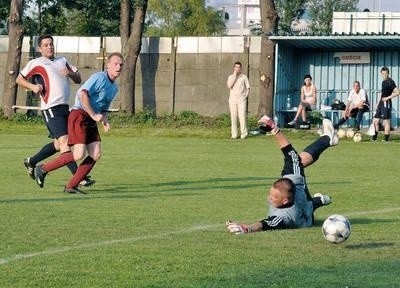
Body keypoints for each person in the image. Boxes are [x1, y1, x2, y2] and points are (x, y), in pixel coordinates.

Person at [226, 116, 338, 234]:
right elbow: (292, 156)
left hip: (305, 213)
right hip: (305, 209)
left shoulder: (284, 216)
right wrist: (275, 130)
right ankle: (320, 199)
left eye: (274, 197)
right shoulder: (296, 187)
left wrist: (248, 228)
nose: (269, 198)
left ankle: (321, 199)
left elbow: (265, 224)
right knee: (298, 165)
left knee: (300, 164)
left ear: (284, 201)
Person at [33, 52, 124, 194]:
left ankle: (71, 186)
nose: (118, 67)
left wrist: (104, 120)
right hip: (79, 115)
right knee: (78, 154)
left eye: (121, 65)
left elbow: (104, 107)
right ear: (108, 65)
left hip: (90, 119)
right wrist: (94, 115)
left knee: (95, 153)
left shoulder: (114, 88)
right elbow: (82, 94)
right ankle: (42, 168)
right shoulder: (98, 77)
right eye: (116, 64)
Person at [15, 34, 94, 187]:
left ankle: (31, 161)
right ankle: (79, 178)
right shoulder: (36, 63)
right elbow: (19, 79)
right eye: (45, 45)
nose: (49, 47)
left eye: (51, 44)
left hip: (65, 108)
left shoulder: (62, 61)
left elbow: (78, 79)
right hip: (50, 109)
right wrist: (33, 87)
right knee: (65, 143)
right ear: (40, 48)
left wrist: (70, 73)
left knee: (59, 144)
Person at [370, 66, 399, 142]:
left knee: (386, 121)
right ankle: (374, 138)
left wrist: (388, 98)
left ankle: (386, 139)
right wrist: (378, 103)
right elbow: (383, 93)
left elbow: (397, 92)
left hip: (386, 102)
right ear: (381, 74)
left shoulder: (390, 82)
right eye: (383, 73)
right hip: (381, 103)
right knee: (375, 120)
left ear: (388, 73)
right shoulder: (383, 82)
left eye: (386, 73)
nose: (385, 75)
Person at [226, 61, 250, 139]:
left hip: (241, 100)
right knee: (233, 117)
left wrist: (245, 96)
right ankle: (234, 135)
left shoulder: (244, 77)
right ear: (234, 68)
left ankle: (244, 134)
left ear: (241, 68)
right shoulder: (230, 77)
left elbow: (248, 87)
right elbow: (229, 86)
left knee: (242, 116)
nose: (237, 69)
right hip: (232, 100)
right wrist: (235, 76)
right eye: (236, 67)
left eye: (239, 67)